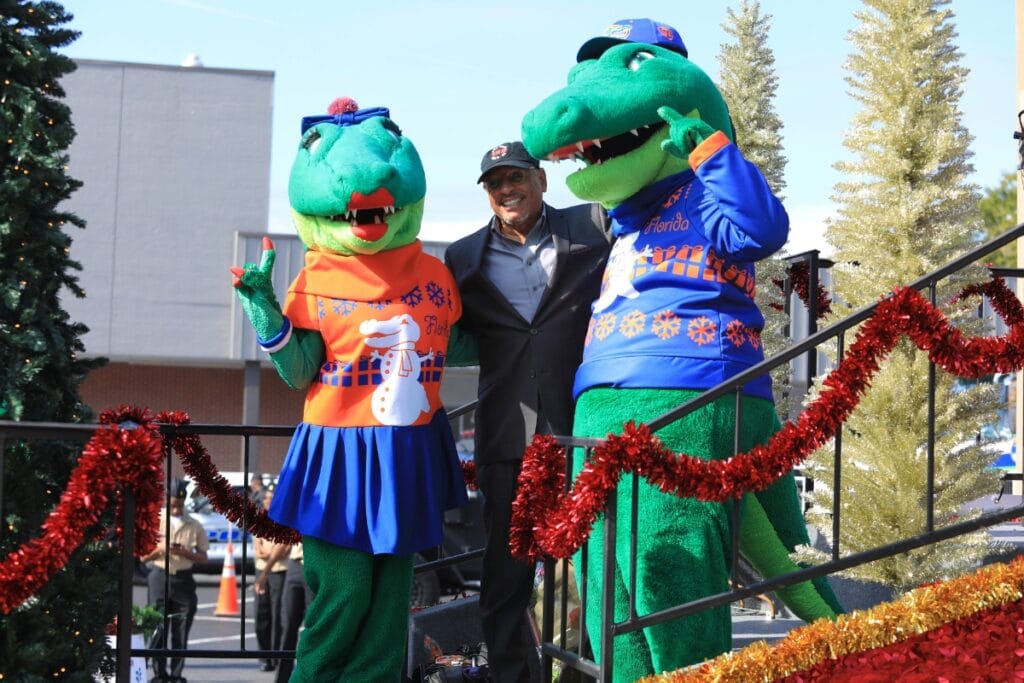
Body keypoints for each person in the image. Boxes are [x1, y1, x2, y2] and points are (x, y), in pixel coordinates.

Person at [444, 141, 611, 682]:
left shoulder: (592, 225)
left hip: (583, 424)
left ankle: (585, 674)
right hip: (506, 432)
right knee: (505, 572)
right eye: (495, 183)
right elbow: (451, 333)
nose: (506, 189)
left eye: (516, 177)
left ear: (541, 179)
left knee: (593, 563)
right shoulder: (462, 257)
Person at [142, 479, 209, 683]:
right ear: (166, 501)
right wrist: (159, 550)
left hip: (183, 579)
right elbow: (143, 557)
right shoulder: (157, 521)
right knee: (158, 625)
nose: (176, 509)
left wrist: (186, 552)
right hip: (159, 575)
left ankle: (176, 674)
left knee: (181, 627)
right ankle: (159, 673)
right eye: (173, 505)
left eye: (180, 505)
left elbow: (203, 556)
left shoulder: (194, 524)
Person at [255, 542, 309, 683]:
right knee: (287, 626)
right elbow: (285, 541)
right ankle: (282, 679)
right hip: (295, 564)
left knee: (313, 626)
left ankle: (311, 676)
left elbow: (283, 544)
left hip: (315, 564)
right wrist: (266, 572)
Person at [252, 487, 287, 672]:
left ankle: (276, 656)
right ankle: (264, 656)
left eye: (272, 497)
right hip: (261, 570)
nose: (269, 500)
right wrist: (269, 552)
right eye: (266, 498)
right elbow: (259, 549)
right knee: (261, 615)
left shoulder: (284, 519)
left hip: (279, 571)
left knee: (277, 615)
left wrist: (271, 553)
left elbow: (283, 547)